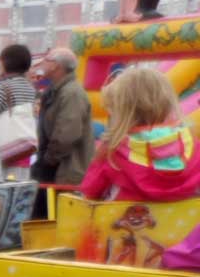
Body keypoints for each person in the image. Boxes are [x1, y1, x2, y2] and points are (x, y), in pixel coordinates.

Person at [79, 68, 200, 201]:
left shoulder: (112, 152)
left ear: (121, 110)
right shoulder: (192, 146)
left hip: (122, 220)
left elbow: (89, 196)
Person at [34, 47, 95, 185]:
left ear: (56, 66)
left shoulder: (71, 93)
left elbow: (66, 135)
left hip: (66, 169)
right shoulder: (56, 90)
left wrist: (48, 160)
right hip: (56, 166)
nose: (42, 63)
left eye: (46, 59)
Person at [0, 44, 36, 175]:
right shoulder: (30, 89)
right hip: (23, 154)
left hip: (3, 158)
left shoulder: (0, 89)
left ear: (4, 63)